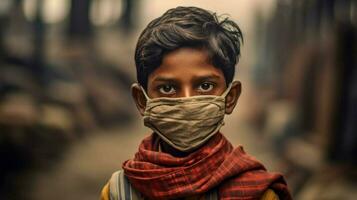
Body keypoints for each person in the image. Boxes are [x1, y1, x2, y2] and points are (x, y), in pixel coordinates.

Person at [101, 6, 292, 200]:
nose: (187, 101)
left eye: (205, 86)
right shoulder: (119, 192)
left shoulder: (260, 194)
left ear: (230, 97)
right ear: (142, 101)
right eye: (168, 88)